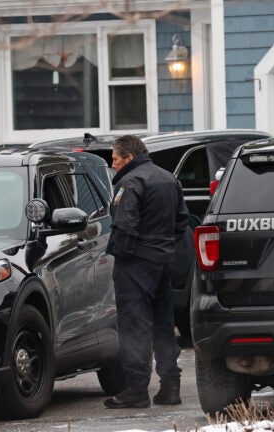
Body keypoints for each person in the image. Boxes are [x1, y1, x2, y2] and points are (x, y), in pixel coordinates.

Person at [104, 135, 189, 409]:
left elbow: (124, 224)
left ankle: (136, 390)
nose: (113, 164)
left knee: (134, 326)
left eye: (115, 159)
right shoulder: (169, 178)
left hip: (135, 264)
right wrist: (162, 247)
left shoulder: (130, 182)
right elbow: (182, 222)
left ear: (129, 157)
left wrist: (123, 255)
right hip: (163, 261)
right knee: (163, 325)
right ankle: (171, 387)